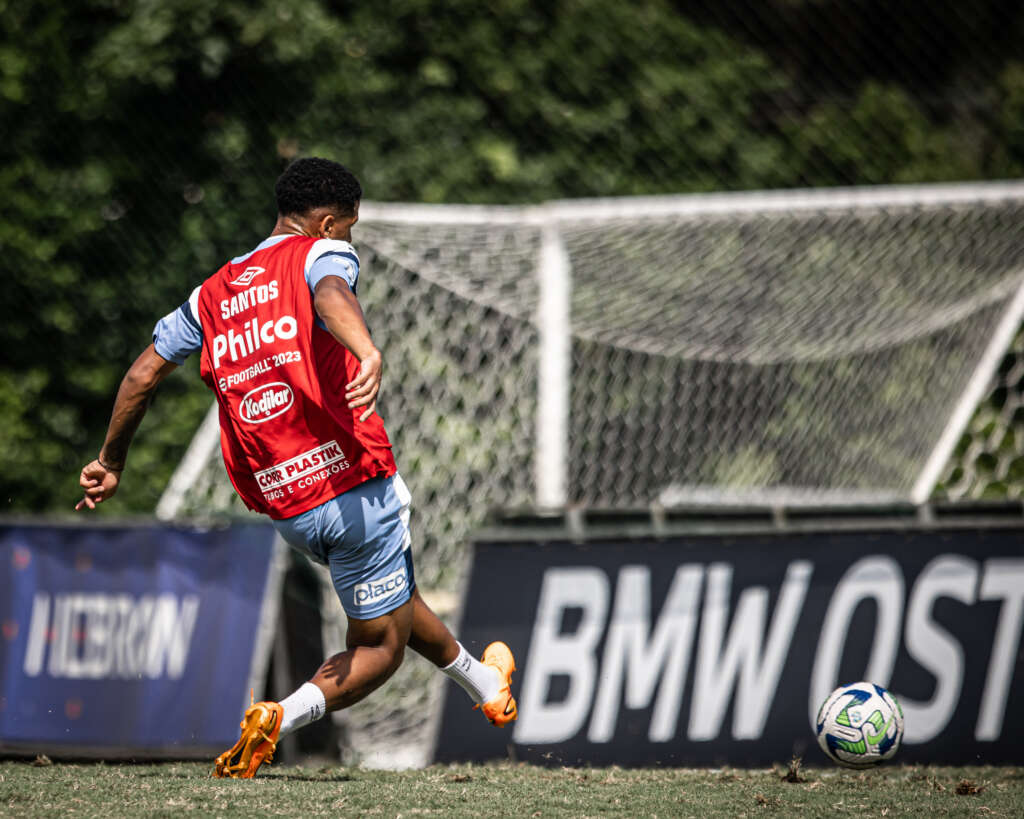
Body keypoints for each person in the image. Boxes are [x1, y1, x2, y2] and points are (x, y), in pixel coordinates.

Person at [76, 157, 517, 778]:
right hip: (352, 484)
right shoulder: (319, 255)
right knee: (381, 646)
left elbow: (143, 374)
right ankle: (279, 717)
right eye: (350, 230)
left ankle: (485, 685)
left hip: (289, 505)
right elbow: (332, 292)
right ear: (329, 223)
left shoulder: (214, 291)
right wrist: (365, 348)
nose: (350, 241)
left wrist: (109, 461)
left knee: (392, 598)